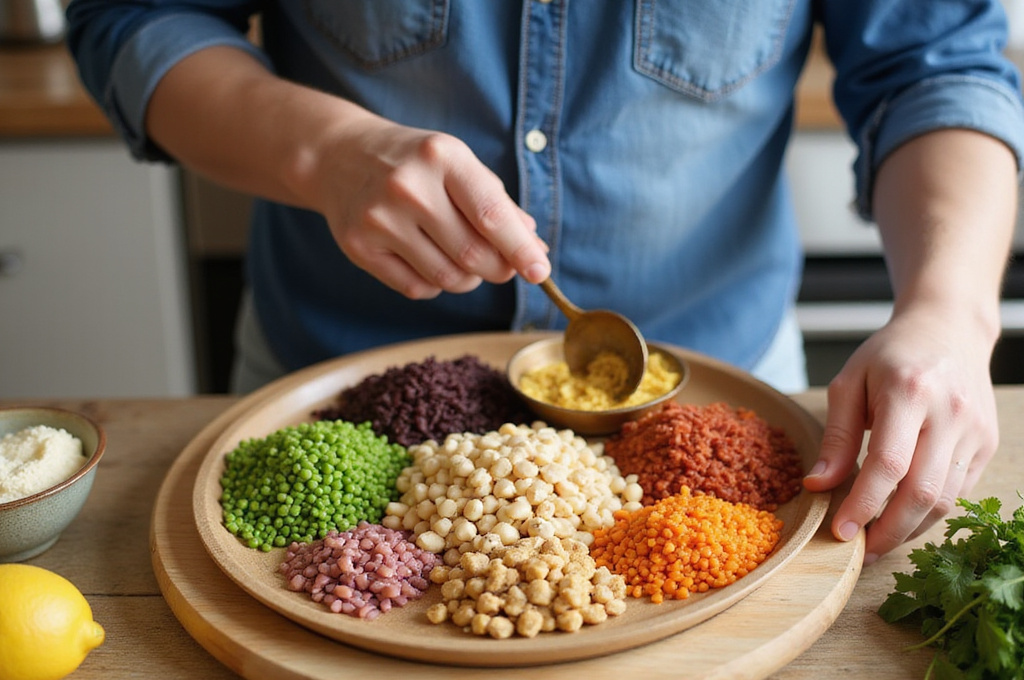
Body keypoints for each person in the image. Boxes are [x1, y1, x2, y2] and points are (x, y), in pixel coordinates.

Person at [66, 1, 1024, 565]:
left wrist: (949, 308)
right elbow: (136, 21)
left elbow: (936, 65)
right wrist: (326, 152)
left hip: (723, 408)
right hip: (327, 392)